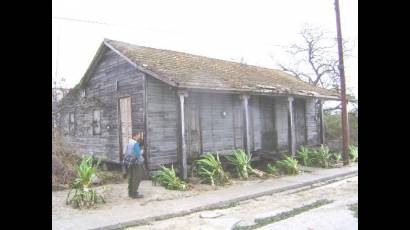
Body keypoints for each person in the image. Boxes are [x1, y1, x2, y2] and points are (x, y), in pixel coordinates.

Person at [125, 132, 145, 198]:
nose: (140, 136)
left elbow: (127, 152)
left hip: (129, 162)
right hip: (136, 163)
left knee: (131, 177)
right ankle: (134, 193)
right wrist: (141, 151)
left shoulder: (129, 142)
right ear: (136, 135)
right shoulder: (135, 143)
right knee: (136, 178)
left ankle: (130, 192)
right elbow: (138, 154)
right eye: (139, 135)